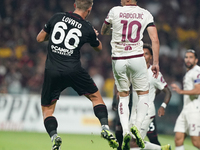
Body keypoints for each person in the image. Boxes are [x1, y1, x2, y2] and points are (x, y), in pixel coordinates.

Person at [36, 0, 118, 150]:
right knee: (95, 98)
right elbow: (98, 48)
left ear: (74, 5)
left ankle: (54, 136)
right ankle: (105, 127)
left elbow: (39, 38)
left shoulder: (57, 17)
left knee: (48, 110)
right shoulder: (87, 27)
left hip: (52, 70)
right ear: (89, 10)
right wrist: (93, 35)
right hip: (73, 70)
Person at [101, 0, 160, 149]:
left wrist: (113, 30)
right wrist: (156, 63)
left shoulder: (114, 11)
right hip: (136, 58)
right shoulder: (145, 13)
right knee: (143, 94)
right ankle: (137, 127)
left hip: (118, 58)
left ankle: (126, 130)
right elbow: (155, 39)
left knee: (123, 96)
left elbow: (104, 30)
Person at [112, 44, 171, 150]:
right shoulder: (134, 71)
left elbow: (167, 91)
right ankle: (161, 149)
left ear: (151, 57)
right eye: (141, 54)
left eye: (146, 54)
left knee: (133, 143)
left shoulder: (154, 73)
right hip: (134, 112)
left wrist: (163, 106)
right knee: (131, 140)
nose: (143, 56)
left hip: (147, 112)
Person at [171, 49, 200, 150]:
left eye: (191, 57)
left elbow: (198, 90)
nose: (188, 59)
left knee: (196, 142)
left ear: (196, 60)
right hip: (186, 109)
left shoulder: (197, 71)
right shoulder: (188, 72)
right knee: (178, 139)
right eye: (186, 57)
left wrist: (181, 91)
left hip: (194, 110)